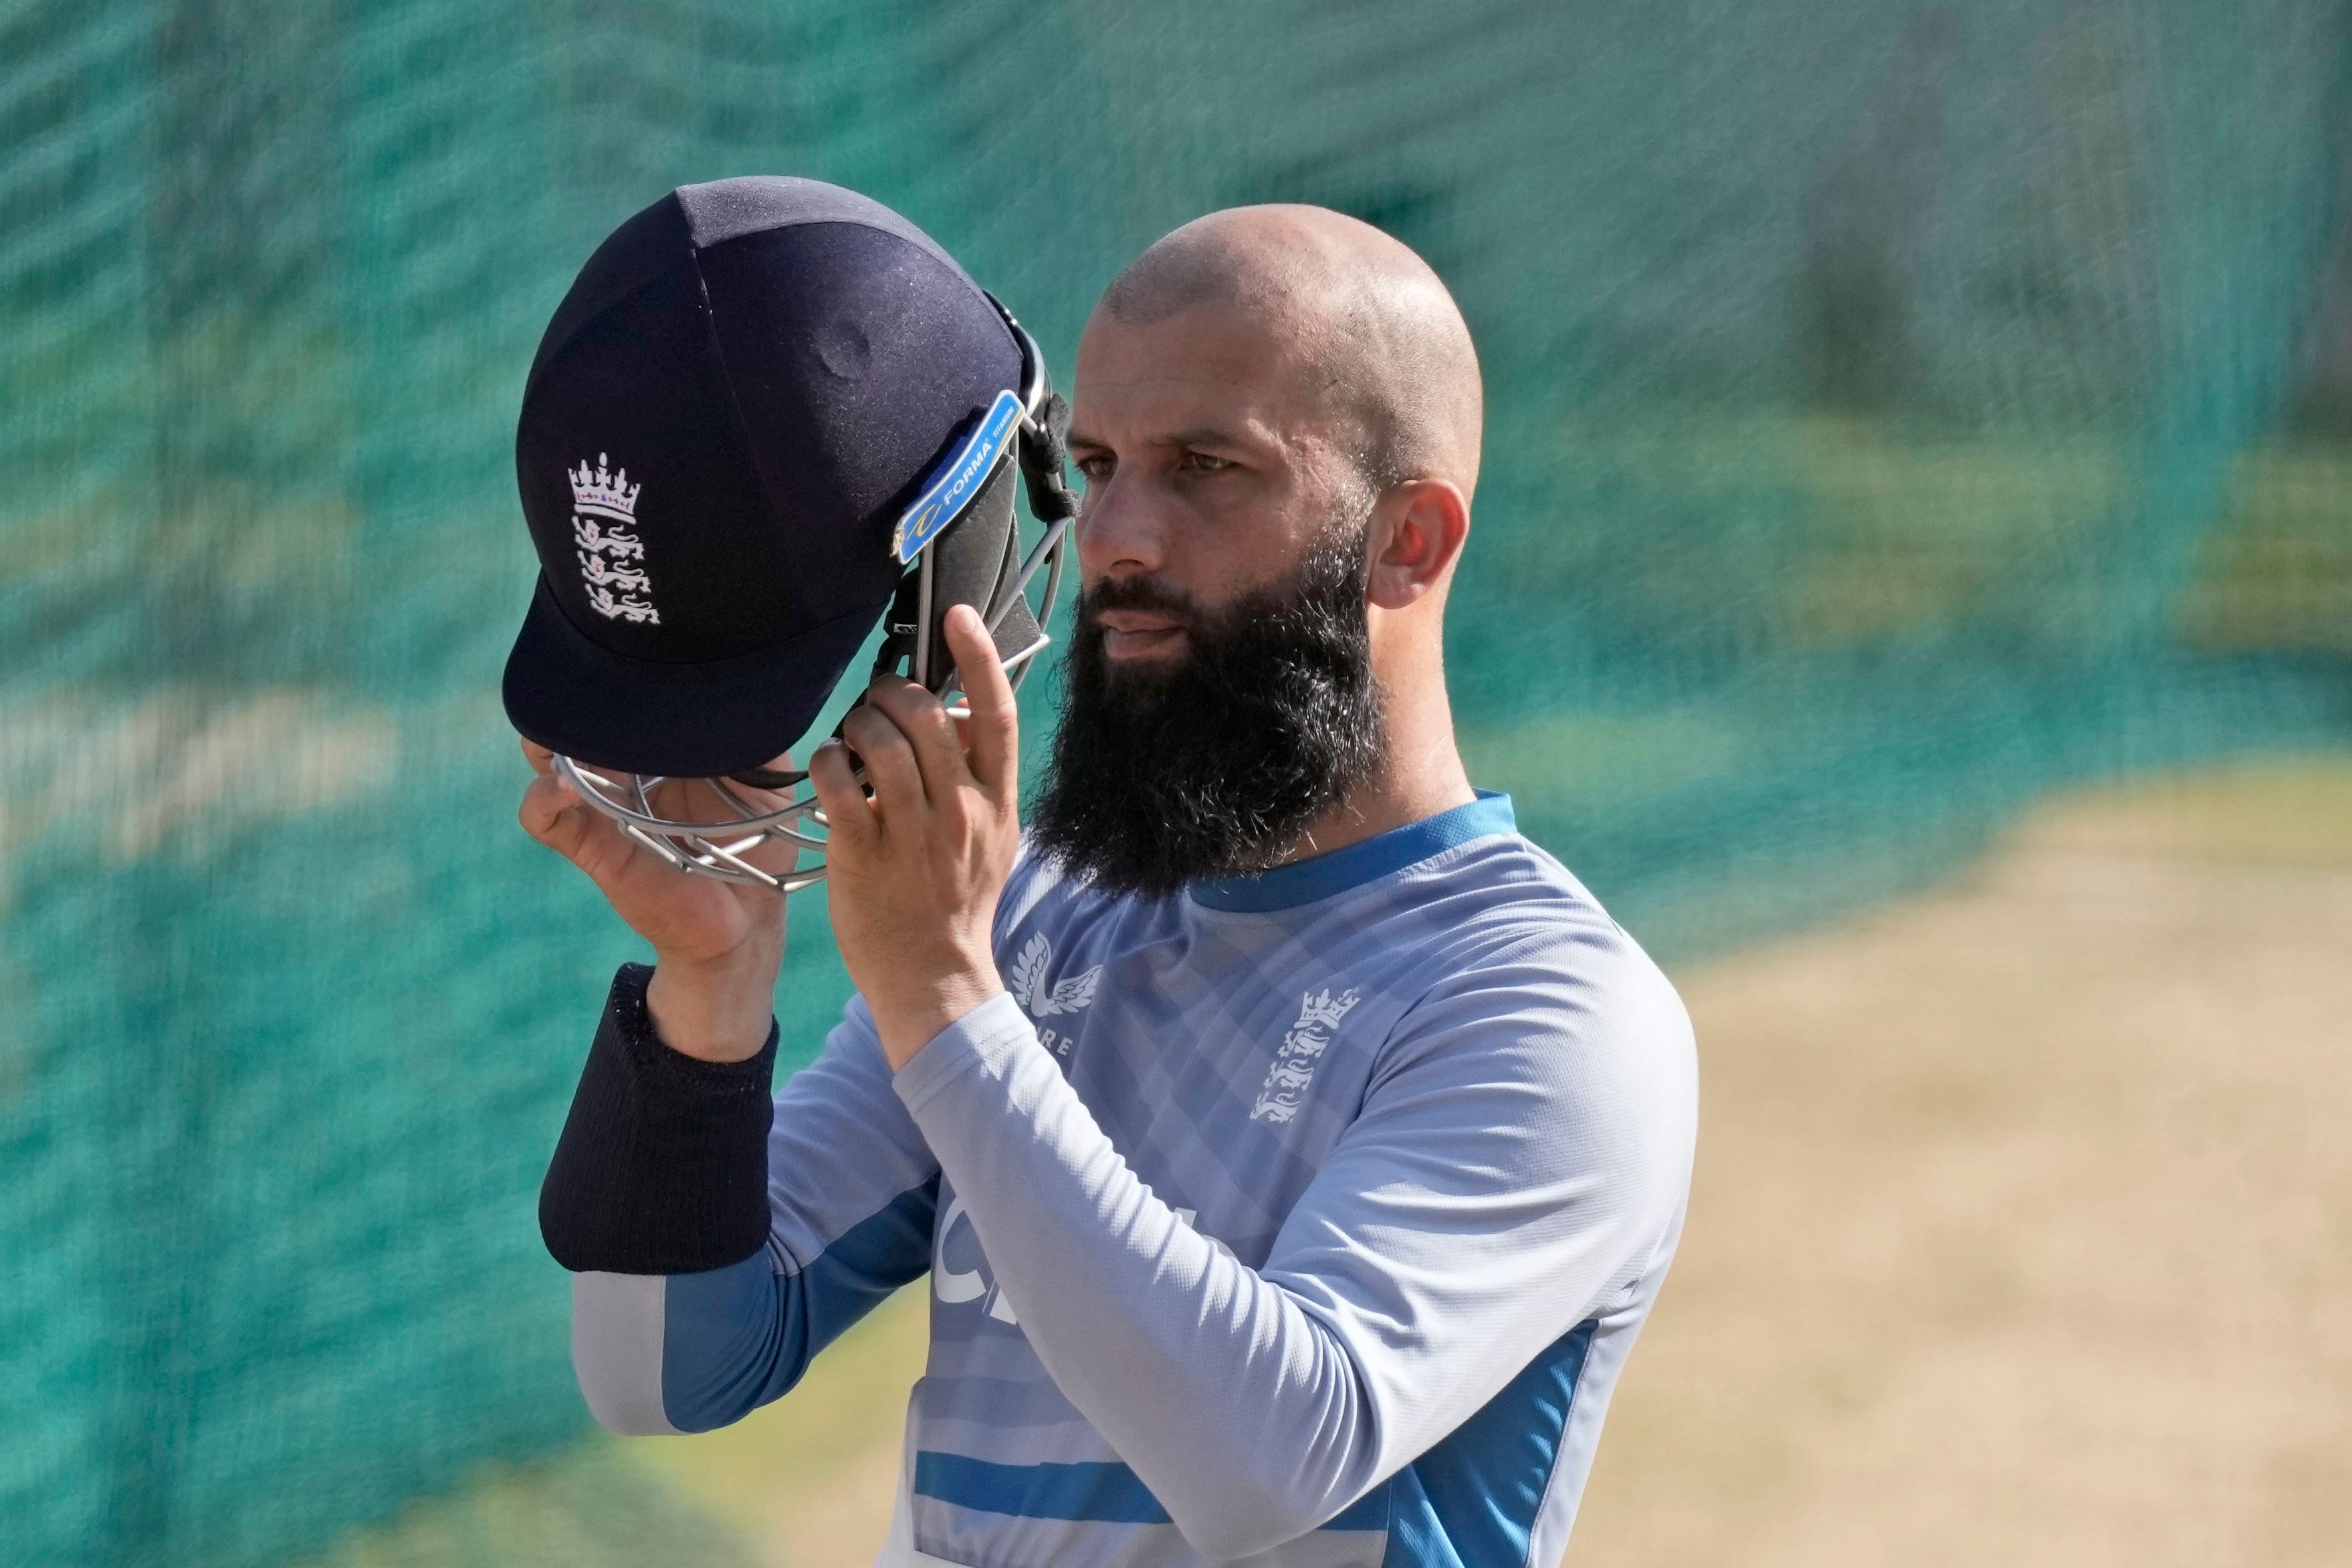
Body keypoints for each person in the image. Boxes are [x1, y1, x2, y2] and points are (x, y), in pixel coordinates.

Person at [520, 204, 1698, 1568]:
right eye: (1094, 464)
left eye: (1206, 467)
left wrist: (943, 994)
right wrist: (711, 991)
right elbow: (662, 1375)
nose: (1117, 536)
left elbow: (1267, 1457)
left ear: (1409, 540)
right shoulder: (1024, 924)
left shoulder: (1547, 1009)